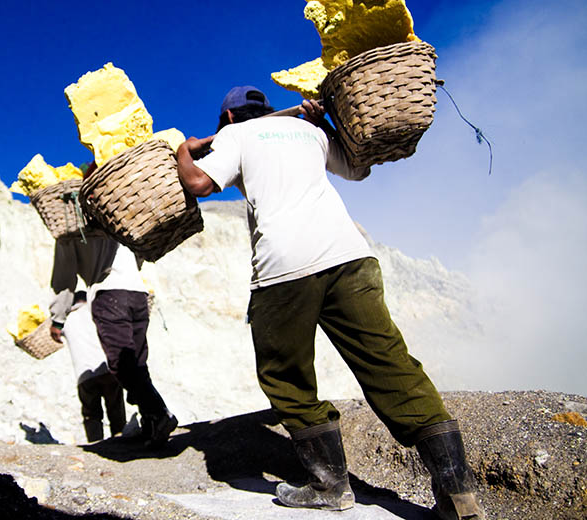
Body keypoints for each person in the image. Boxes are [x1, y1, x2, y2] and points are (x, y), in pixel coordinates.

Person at [175, 85, 484, 519]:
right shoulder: (308, 132)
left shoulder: (235, 136)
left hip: (286, 268)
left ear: (228, 118)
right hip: (350, 258)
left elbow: (198, 183)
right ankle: (458, 493)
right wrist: (324, 123)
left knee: (286, 374)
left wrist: (183, 150)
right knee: (389, 364)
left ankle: (328, 484)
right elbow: (357, 171)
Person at [48, 231, 177, 449]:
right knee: (136, 361)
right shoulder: (118, 218)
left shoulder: (70, 226)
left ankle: (158, 413)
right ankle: (151, 423)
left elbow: (64, 279)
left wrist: (58, 318)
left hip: (108, 295)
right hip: (138, 293)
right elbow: (139, 256)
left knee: (121, 364)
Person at [59, 290, 126, 442]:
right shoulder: (97, 311)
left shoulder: (67, 320)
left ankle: (96, 442)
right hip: (107, 369)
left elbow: (51, 333)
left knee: (91, 414)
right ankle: (120, 438)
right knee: (115, 407)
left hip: (84, 375)